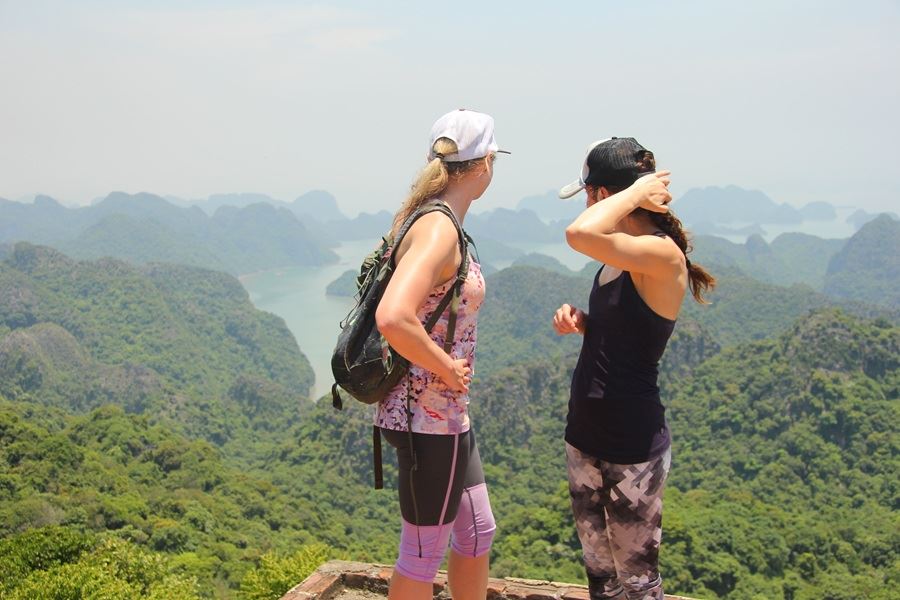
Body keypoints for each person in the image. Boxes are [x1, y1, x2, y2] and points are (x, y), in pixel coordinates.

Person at [552, 138, 715, 600]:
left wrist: (637, 191)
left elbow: (578, 234)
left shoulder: (662, 254)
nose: (585, 202)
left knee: (637, 580)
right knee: (601, 574)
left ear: (604, 195)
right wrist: (585, 325)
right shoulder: (621, 254)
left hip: (632, 445)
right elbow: (628, 330)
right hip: (584, 433)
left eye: (588, 193)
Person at [374, 109, 506, 600]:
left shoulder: (438, 220)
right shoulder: (438, 230)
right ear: (484, 163)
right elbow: (394, 316)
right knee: (422, 553)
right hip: (424, 417)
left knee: (476, 531)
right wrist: (447, 366)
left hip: (444, 417)